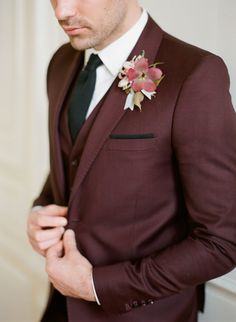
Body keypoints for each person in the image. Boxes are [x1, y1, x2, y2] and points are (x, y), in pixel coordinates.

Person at [27, 1, 236, 321]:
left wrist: (96, 285)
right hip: (59, 306)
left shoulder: (195, 74)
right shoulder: (62, 62)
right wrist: (40, 211)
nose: (61, 12)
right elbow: (74, 163)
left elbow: (222, 242)